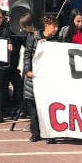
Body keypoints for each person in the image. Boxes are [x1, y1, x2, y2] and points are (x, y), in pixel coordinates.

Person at [23, 14, 59, 142]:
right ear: (46, 26)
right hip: (34, 77)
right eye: (54, 26)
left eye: (57, 27)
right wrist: (27, 70)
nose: (56, 29)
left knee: (49, 107)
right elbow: (27, 54)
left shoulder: (58, 40)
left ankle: (50, 134)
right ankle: (35, 133)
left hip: (49, 78)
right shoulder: (34, 36)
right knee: (34, 107)